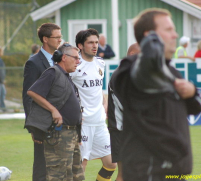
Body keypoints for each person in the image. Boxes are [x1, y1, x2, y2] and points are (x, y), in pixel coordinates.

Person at [113, 8, 201, 180]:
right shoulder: (130, 67)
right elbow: (145, 70)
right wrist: (151, 47)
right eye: (169, 30)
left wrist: (192, 92)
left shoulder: (171, 71)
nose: (175, 35)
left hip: (174, 170)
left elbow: (199, 105)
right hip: (147, 171)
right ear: (150, 36)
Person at [25, 43, 85, 181]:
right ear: (64, 57)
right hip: (59, 134)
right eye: (75, 58)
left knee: (76, 175)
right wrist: (53, 110)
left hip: (72, 133)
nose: (78, 61)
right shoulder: (53, 72)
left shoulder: (66, 75)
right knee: (59, 175)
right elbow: (32, 92)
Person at [70, 28, 117, 181]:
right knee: (80, 166)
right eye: (90, 42)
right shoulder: (75, 66)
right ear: (80, 46)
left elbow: (98, 89)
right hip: (83, 123)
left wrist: (105, 103)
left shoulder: (100, 63)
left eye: (96, 42)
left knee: (111, 163)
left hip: (99, 122)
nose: (95, 45)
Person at [22, 23, 62, 181]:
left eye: (60, 36)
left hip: (62, 121)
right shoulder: (34, 63)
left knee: (60, 166)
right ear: (45, 39)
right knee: (42, 166)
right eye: (57, 37)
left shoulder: (61, 60)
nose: (60, 40)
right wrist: (33, 126)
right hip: (42, 123)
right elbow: (28, 96)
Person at [107, 42, 140, 181]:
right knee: (123, 175)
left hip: (129, 130)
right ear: (132, 54)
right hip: (121, 130)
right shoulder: (121, 75)